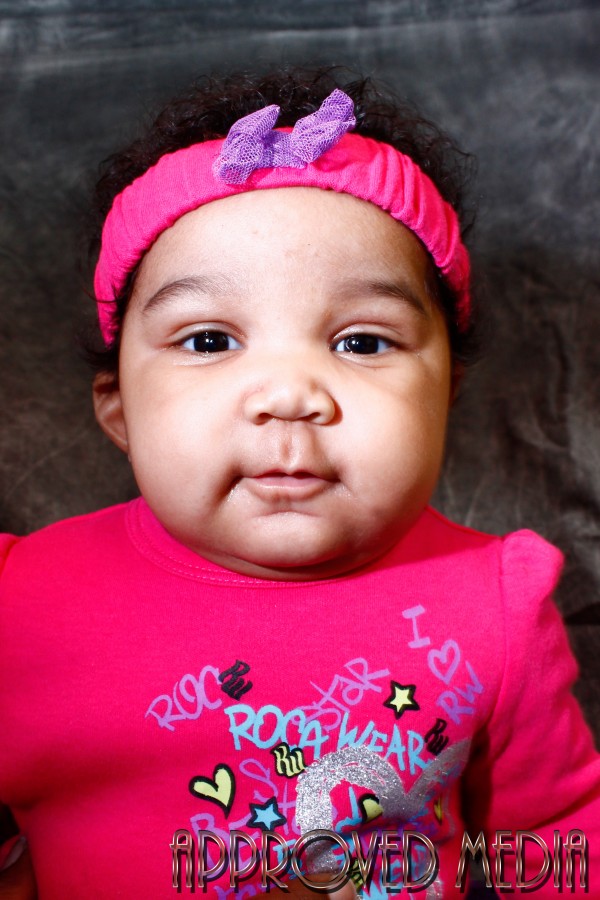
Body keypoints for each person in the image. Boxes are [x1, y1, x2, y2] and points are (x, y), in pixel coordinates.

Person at [0, 67, 598, 899]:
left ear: (445, 393)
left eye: (362, 342)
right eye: (209, 340)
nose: (288, 395)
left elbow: (559, 842)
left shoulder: (498, 605)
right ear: (119, 407)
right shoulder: (21, 600)